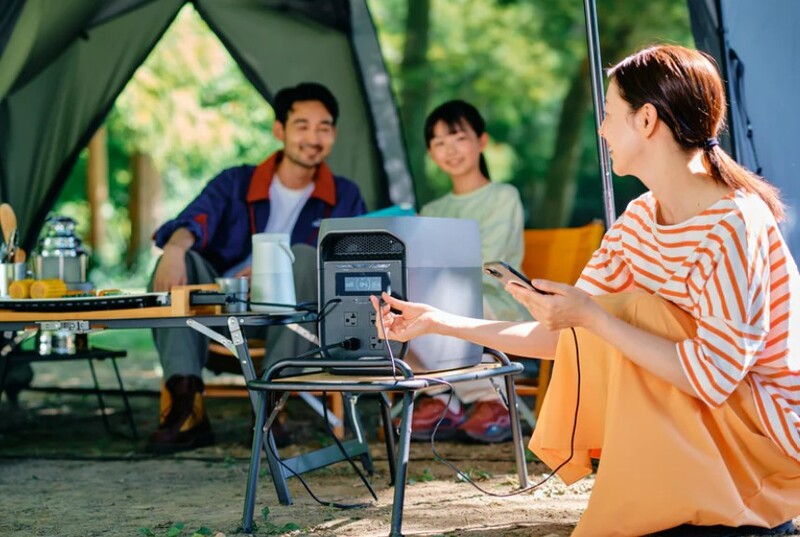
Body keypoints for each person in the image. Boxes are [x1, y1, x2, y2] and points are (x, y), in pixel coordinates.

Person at [372, 45, 800, 536]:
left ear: (646, 121)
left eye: (608, 115)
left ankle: (732, 507)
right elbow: (563, 338)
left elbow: (714, 377)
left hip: (764, 441)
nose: (601, 130)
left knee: (637, 311)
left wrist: (596, 317)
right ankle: (676, 502)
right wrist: (439, 321)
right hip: (704, 434)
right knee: (628, 313)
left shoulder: (734, 222)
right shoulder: (638, 220)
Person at [147, 82, 367, 453]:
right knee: (180, 256)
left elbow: (353, 268)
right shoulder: (236, 182)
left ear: (334, 134)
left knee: (305, 256)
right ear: (279, 130)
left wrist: (273, 273)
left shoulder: (345, 195)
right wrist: (173, 248)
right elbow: (192, 221)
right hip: (223, 309)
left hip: (296, 324)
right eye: (302, 126)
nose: (313, 138)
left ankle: (271, 404)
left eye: (324, 127)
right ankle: (185, 403)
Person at [410, 99, 532, 443]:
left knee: (444, 302)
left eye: (458, 137)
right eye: (439, 143)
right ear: (431, 154)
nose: (450, 150)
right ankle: (441, 396)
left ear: (481, 141)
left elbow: (488, 263)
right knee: (399, 307)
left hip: (497, 302)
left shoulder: (503, 196)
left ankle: (487, 400)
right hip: (440, 301)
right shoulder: (432, 208)